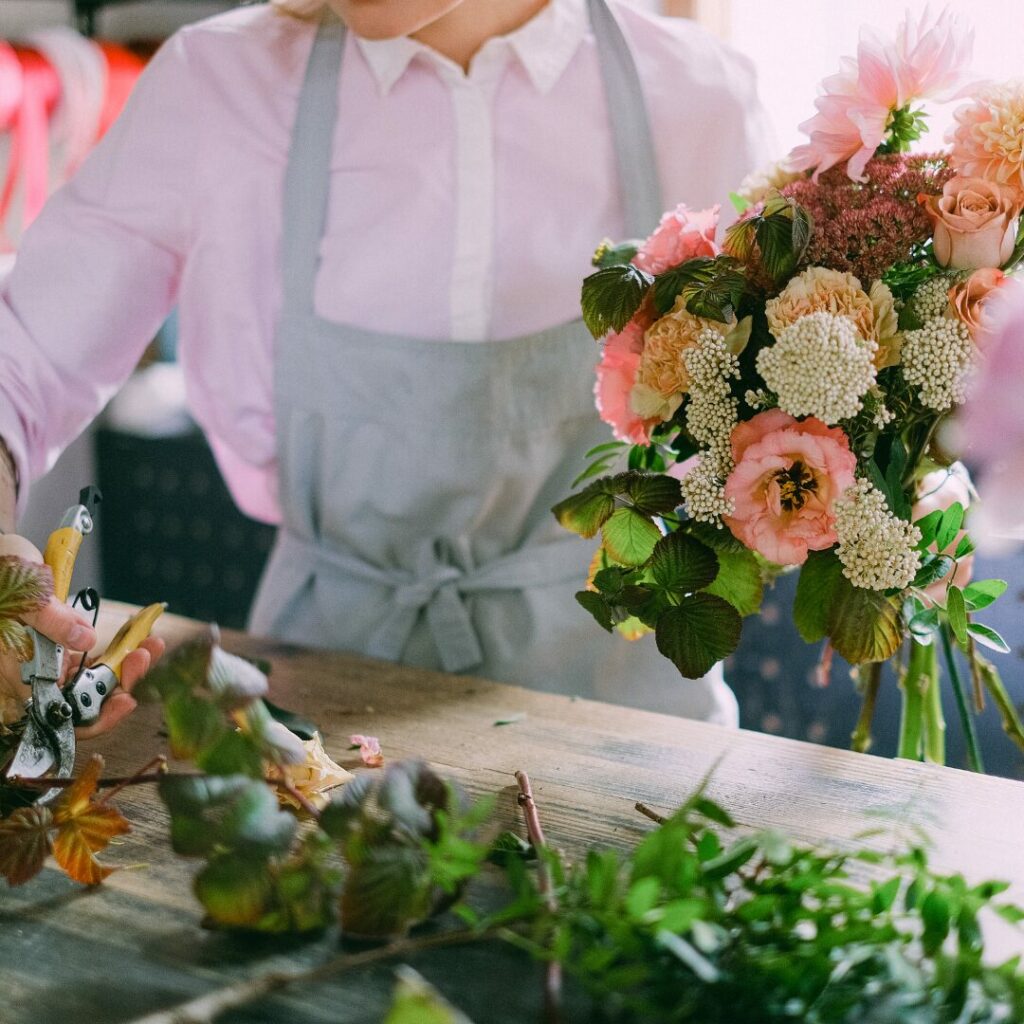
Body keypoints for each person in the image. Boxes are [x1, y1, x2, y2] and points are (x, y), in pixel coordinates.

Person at [0, 0, 771, 737]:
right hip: (321, 735)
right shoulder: (215, 86)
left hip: (640, 736)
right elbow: (22, 354)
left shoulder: (702, 96)